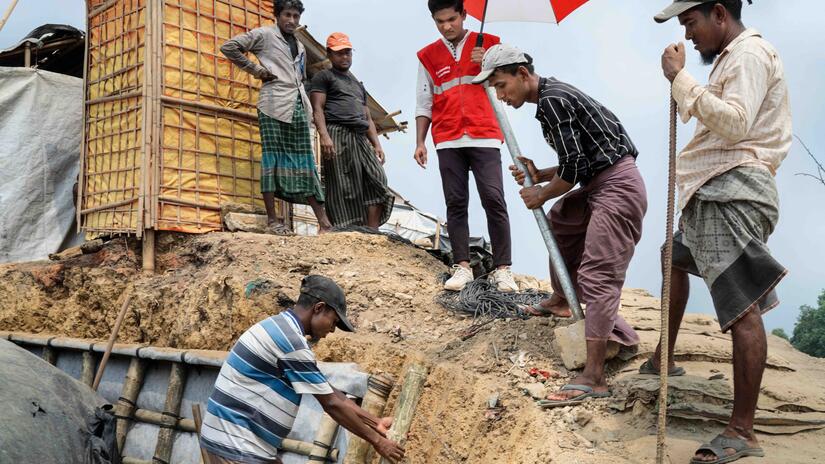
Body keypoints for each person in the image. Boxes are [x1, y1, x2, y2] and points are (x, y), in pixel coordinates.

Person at [649, 1, 791, 462]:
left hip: (733, 189)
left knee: (740, 308)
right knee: (674, 256)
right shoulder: (732, 58)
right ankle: (661, 358)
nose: (688, 35)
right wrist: (683, 84)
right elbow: (718, 117)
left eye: (691, 23)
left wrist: (680, 79)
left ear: (719, 14)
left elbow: (735, 122)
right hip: (715, 189)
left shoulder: (749, 55)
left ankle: (742, 431)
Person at [473, 44, 647, 407]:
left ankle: (594, 375)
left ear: (523, 74)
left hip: (617, 186)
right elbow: (579, 162)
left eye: (502, 86)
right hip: (598, 180)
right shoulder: (551, 101)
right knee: (563, 221)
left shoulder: (553, 100)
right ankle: (560, 300)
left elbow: (573, 170)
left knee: (597, 275)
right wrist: (541, 175)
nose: (501, 97)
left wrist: (542, 193)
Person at [200, 275, 405, 464]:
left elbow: (328, 391)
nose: (332, 330)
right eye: (333, 322)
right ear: (318, 308)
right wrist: (378, 442)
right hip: (237, 446)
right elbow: (331, 403)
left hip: (237, 442)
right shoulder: (290, 342)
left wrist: (375, 422)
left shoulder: (281, 327)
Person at [415, 0, 518, 293]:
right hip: (447, 139)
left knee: (494, 199)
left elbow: (517, 74)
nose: (447, 26)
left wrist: (488, 61)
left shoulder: (491, 45)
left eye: (451, 19)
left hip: (484, 134)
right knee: (456, 203)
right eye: (440, 21)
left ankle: (503, 270)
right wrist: (420, 141)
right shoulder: (427, 56)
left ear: (464, 15)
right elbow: (424, 101)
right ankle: (462, 267)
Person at [221, 0, 332, 234]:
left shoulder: (299, 45)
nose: (292, 21)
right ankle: (273, 221)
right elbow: (230, 47)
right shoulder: (265, 35)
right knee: (272, 160)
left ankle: (324, 224)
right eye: (287, 15)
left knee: (306, 161)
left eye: (296, 16)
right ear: (277, 15)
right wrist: (257, 71)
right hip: (272, 105)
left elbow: (299, 78)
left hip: (297, 106)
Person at [310, 33, 394, 230]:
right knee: (343, 185)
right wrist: (325, 136)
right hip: (337, 133)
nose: (345, 57)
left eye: (347, 53)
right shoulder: (324, 77)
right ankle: (342, 230)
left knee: (377, 178)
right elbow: (317, 109)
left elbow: (367, 117)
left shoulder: (357, 84)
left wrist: (377, 144)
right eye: (339, 53)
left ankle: (372, 231)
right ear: (329, 54)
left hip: (359, 136)